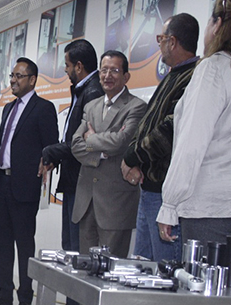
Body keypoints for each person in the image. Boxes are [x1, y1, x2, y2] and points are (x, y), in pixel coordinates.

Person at [158, 0, 231, 252]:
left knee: (202, 290)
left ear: (217, 25)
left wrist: (170, 204)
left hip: (212, 207)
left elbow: (191, 143)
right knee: (230, 290)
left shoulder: (213, 69)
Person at [0, 58, 58, 305]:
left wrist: (46, 163)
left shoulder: (43, 108)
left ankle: (25, 296)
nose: (12, 80)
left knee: (24, 244)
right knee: (1, 242)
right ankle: (4, 293)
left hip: (25, 187)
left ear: (32, 80)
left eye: (18, 76)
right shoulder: (7, 108)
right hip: (2, 181)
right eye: (12, 75)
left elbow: (51, 147)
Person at [120, 14, 199, 262]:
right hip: (150, 189)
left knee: (165, 272)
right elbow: (146, 125)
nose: (159, 44)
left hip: (166, 194)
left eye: (161, 39)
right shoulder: (173, 75)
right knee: (142, 267)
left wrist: (134, 156)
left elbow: (170, 129)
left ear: (172, 41)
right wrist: (133, 159)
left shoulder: (193, 78)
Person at [71, 50, 147, 258]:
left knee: (109, 274)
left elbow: (121, 142)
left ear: (126, 76)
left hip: (115, 206)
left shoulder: (136, 107)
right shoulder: (91, 106)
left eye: (114, 70)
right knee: (86, 272)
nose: (107, 76)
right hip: (86, 203)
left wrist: (92, 139)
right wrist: (100, 154)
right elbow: (76, 145)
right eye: (103, 70)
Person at [41, 39, 104, 252]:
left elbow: (86, 143)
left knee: (77, 249)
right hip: (73, 180)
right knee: (69, 247)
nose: (65, 70)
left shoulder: (93, 92)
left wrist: (51, 151)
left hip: (83, 182)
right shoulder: (82, 91)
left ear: (79, 66)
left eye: (67, 65)